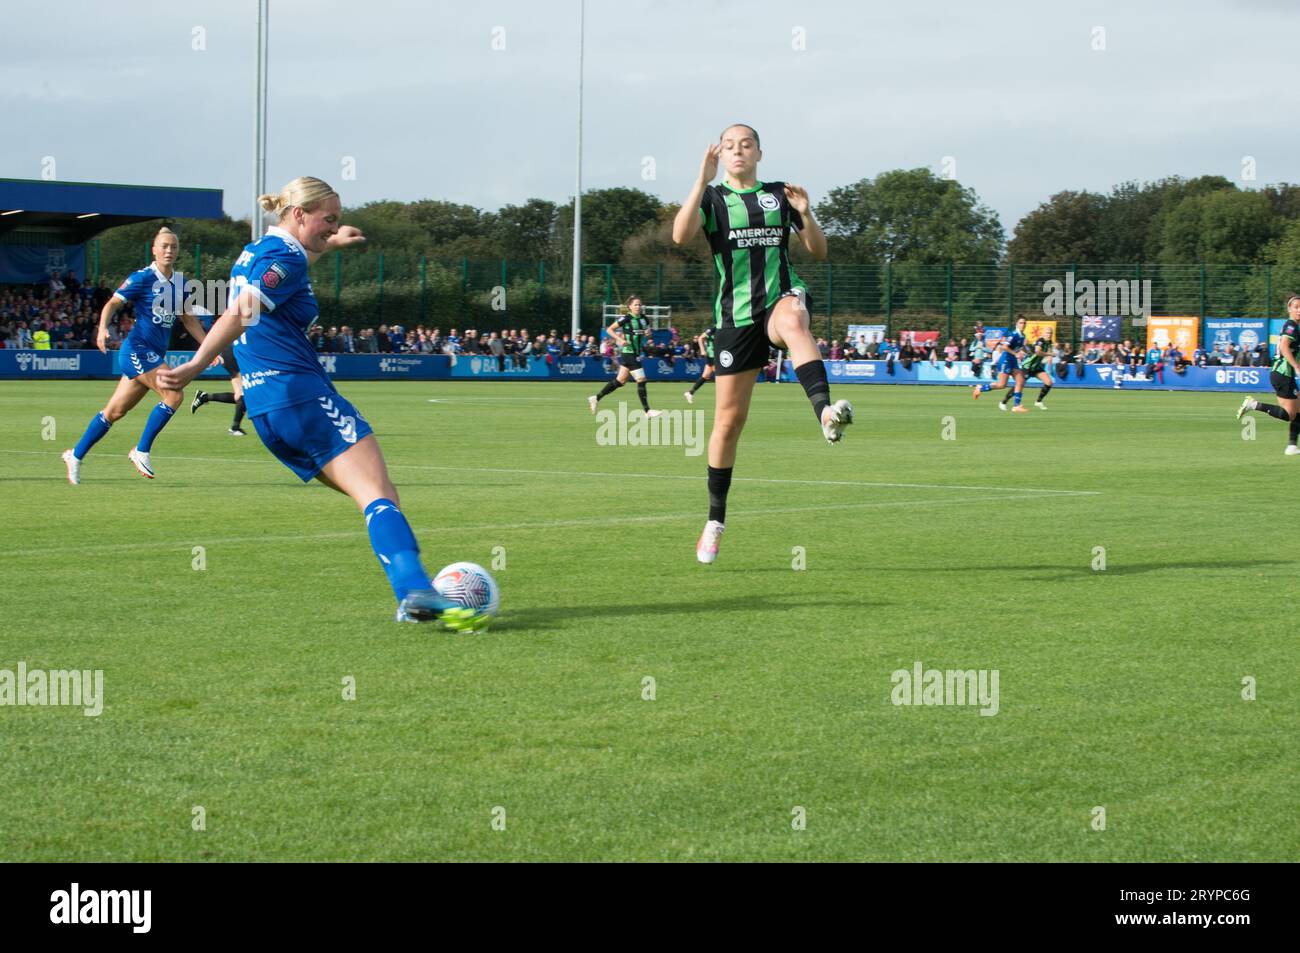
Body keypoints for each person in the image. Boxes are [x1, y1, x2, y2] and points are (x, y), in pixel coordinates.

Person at [157, 176, 482, 628]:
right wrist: (196, 364)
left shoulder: (258, 252)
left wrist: (332, 243)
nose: (334, 226)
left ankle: (411, 593)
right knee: (379, 495)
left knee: (372, 499)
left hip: (269, 411)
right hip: (301, 395)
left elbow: (285, 269)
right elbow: (242, 311)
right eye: (328, 219)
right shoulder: (283, 257)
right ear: (298, 215)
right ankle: (415, 592)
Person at [670, 123, 852, 564]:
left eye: (745, 145)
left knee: (794, 318)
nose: (737, 151)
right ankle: (715, 520)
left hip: (777, 302)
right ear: (721, 154)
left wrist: (806, 213)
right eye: (729, 146)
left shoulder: (778, 194)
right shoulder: (713, 198)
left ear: (759, 153)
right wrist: (700, 179)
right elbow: (679, 235)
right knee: (728, 424)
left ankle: (825, 412)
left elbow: (818, 251)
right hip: (734, 319)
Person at [62, 227, 211, 482]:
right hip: (137, 350)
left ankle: (75, 454)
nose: (169, 251)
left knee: (114, 412)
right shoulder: (142, 278)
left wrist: (210, 346)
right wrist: (102, 330)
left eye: (173, 247)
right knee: (174, 394)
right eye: (164, 246)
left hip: (152, 355)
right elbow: (112, 304)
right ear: (154, 249)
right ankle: (141, 450)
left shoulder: (181, 283)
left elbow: (188, 320)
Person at [1237, 294, 1300, 455]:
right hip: (1283, 374)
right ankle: (1254, 405)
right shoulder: (1291, 326)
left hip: (1283, 374)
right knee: (1288, 414)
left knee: (1298, 411)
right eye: (1296, 307)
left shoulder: (1293, 326)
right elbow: (1285, 347)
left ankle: (1292, 446)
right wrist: (1296, 367)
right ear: (1289, 309)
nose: (1299, 310)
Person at [587, 294, 661, 418]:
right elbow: (610, 329)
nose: (638, 306)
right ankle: (647, 411)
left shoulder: (644, 319)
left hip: (636, 352)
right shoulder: (626, 318)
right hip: (628, 352)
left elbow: (648, 335)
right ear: (630, 307)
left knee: (620, 381)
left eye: (639, 304)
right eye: (635, 304)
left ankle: (596, 398)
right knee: (641, 380)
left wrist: (648, 334)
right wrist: (619, 340)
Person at [190, 329, 249, 436]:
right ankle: (235, 428)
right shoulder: (253, 318)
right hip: (232, 354)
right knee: (244, 394)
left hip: (230, 353)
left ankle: (204, 397)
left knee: (240, 396)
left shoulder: (246, 319)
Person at [972, 316, 1029, 411]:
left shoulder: (1023, 336)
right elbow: (1005, 347)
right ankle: (980, 388)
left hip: (1013, 361)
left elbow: (1020, 347)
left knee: (1020, 381)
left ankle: (1016, 406)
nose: (1023, 325)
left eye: (1024, 323)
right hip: (1005, 360)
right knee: (1002, 385)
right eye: (1021, 323)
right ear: (1017, 324)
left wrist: (1025, 352)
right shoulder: (1013, 334)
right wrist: (1016, 354)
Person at [1000, 337, 1054, 410]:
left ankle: (1038, 402)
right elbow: (1038, 352)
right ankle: (1004, 402)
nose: (1049, 335)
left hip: (1036, 367)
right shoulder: (1040, 341)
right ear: (1044, 334)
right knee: (1019, 385)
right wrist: (1049, 354)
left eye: (1050, 333)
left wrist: (1049, 357)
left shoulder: (1049, 343)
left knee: (1049, 382)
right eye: (1048, 333)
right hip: (1028, 367)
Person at [684, 326, 716, 403]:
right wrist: (702, 350)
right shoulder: (713, 329)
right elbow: (700, 338)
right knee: (721, 376)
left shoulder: (723, 328)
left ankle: (690, 393)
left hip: (716, 355)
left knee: (705, 375)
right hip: (712, 355)